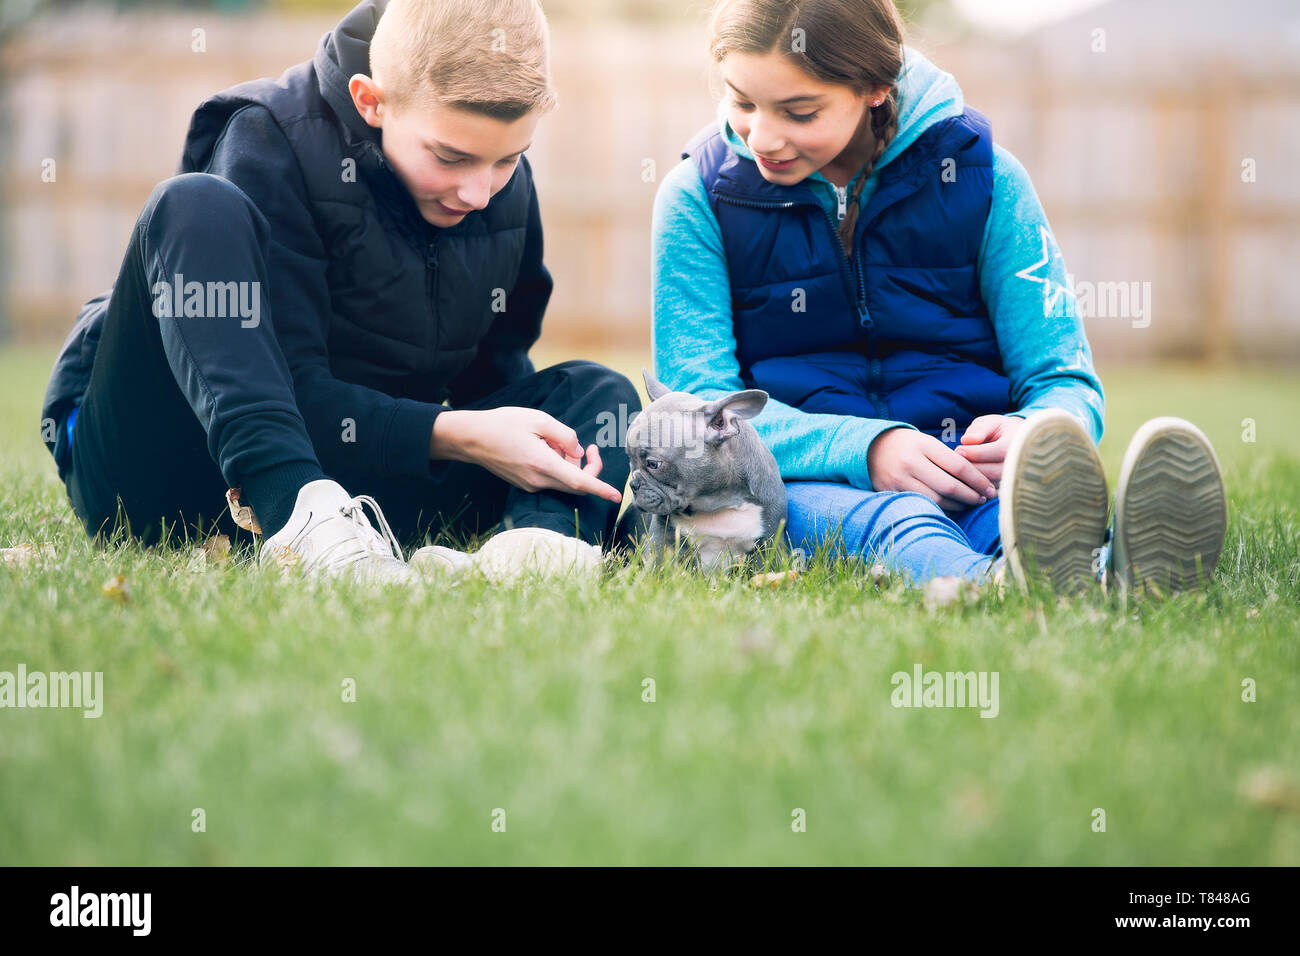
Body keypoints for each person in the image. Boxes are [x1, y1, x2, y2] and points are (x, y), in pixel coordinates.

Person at [40, 0, 639, 585]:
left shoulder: (498, 188)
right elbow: (277, 383)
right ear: (371, 101)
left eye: (508, 160)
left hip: (363, 477)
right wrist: (456, 434)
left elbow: (494, 385)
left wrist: (519, 441)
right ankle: (299, 521)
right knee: (192, 202)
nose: (480, 193)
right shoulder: (269, 141)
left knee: (595, 392)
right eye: (451, 157)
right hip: (180, 464)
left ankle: (535, 552)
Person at [652, 0, 1227, 594]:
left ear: (875, 88)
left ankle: (1112, 574)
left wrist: (1036, 430)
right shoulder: (697, 197)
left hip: (967, 472)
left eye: (799, 111)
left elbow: (1063, 375)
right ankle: (998, 588)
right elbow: (699, 408)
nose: (762, 136)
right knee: (903, 522)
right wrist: (865, 448)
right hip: (803, 482)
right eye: (742, 101)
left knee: (1014, 519)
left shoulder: (988, 181)